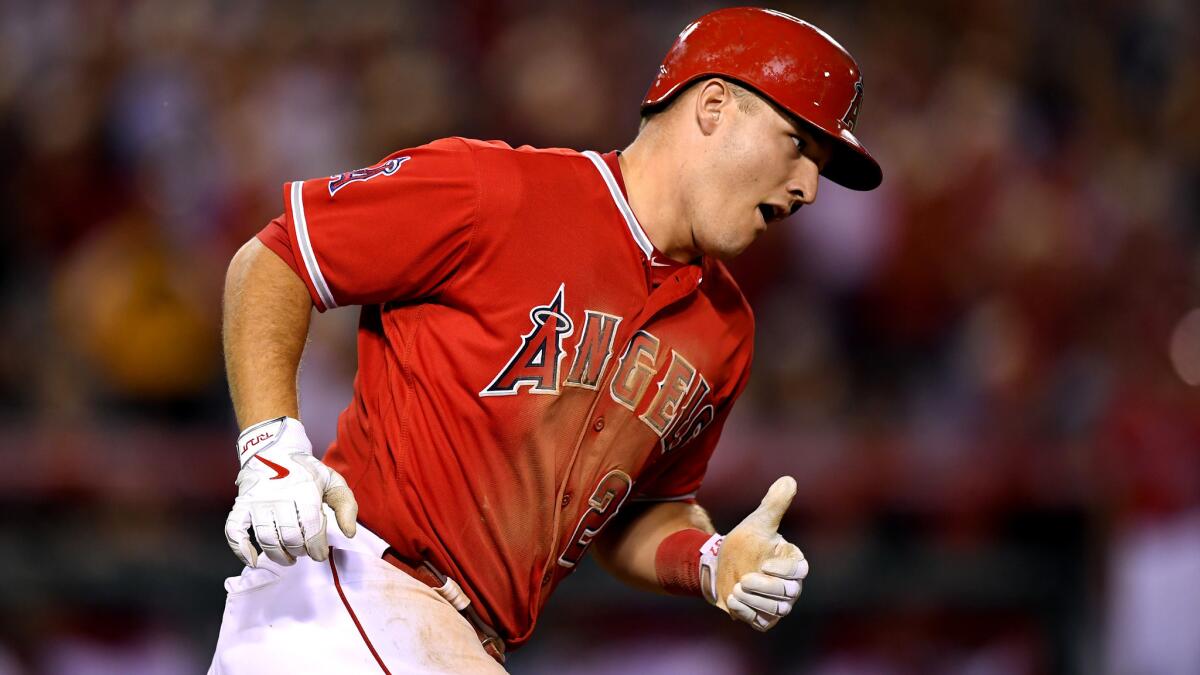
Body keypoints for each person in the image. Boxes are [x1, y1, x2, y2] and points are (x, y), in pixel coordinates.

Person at [210, 7, 882, 673]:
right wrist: (270, 446)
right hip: (347, 588)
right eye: (798, 143)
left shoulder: (726, 329)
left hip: (456, 636)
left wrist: (708, 560)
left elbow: (638, 516)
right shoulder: (496, 191)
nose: (808, 189)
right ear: (712, 106)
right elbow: (277, 259)